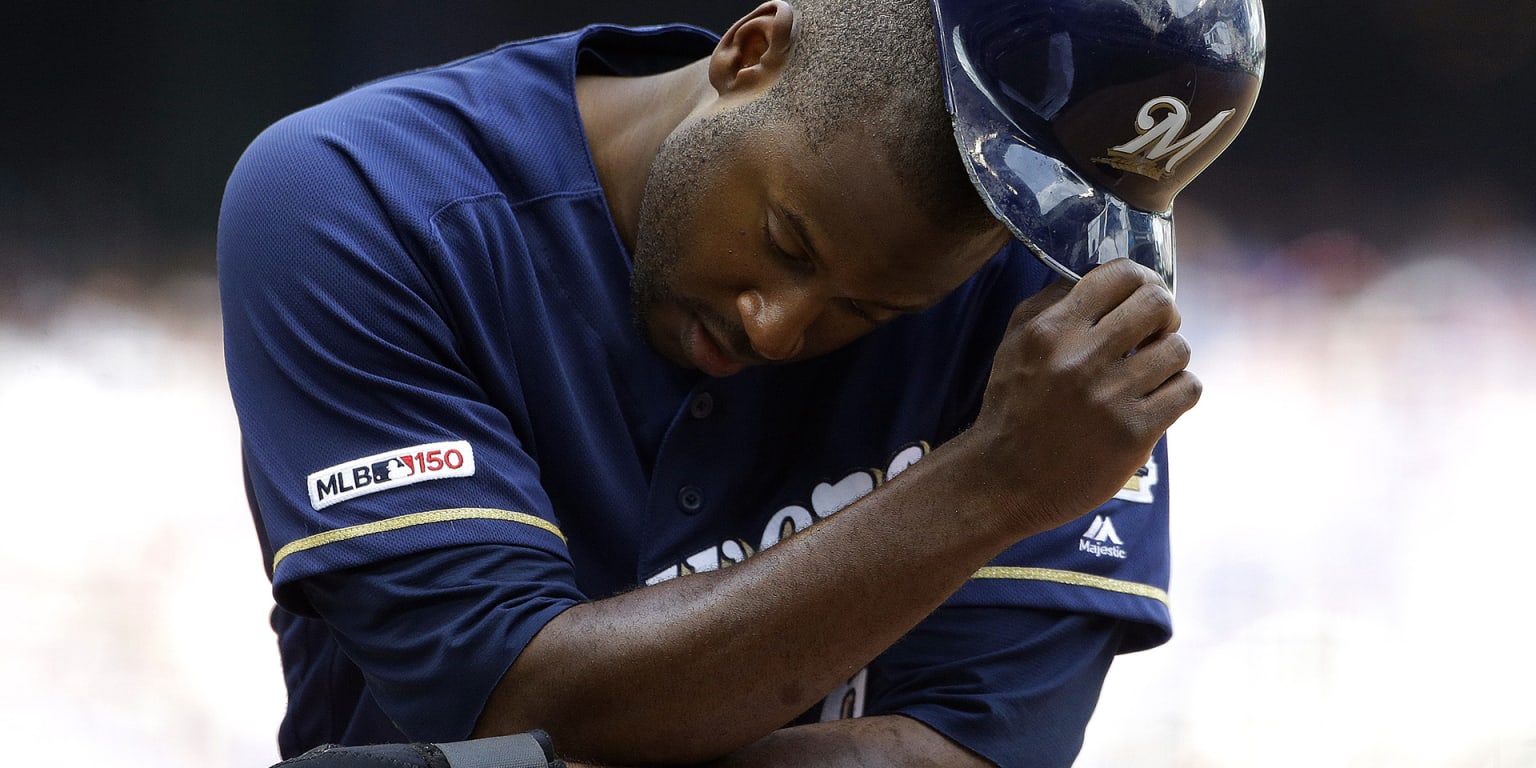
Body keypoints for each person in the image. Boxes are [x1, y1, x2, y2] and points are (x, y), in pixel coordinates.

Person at [217, 0, 1265, 765]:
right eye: (787, 242)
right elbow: (507, 696)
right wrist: (989, 484)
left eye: (869, 313)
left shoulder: (1046, 308)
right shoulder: (360, 197)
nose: (777, 326)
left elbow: (978, 746)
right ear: (750, 51)